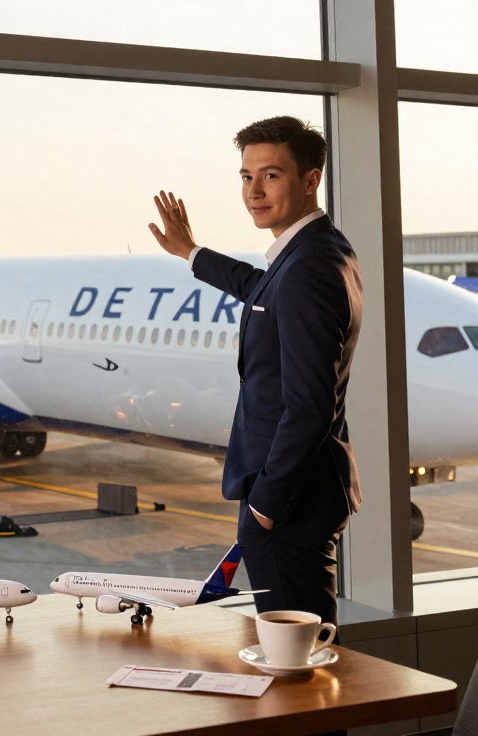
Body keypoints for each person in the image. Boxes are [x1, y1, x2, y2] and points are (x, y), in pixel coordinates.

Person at [147, 116, 362, 625]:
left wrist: (265, 505)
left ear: (310, 179)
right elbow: (262, 290)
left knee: (298, 655)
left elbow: (309, 407)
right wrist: (192, 252)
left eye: (271, 175)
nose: (254, 191)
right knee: (303, 646)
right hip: (301, 491)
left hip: (288, 502)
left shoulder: (307, 268)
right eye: (246, 177)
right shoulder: (315, 251)